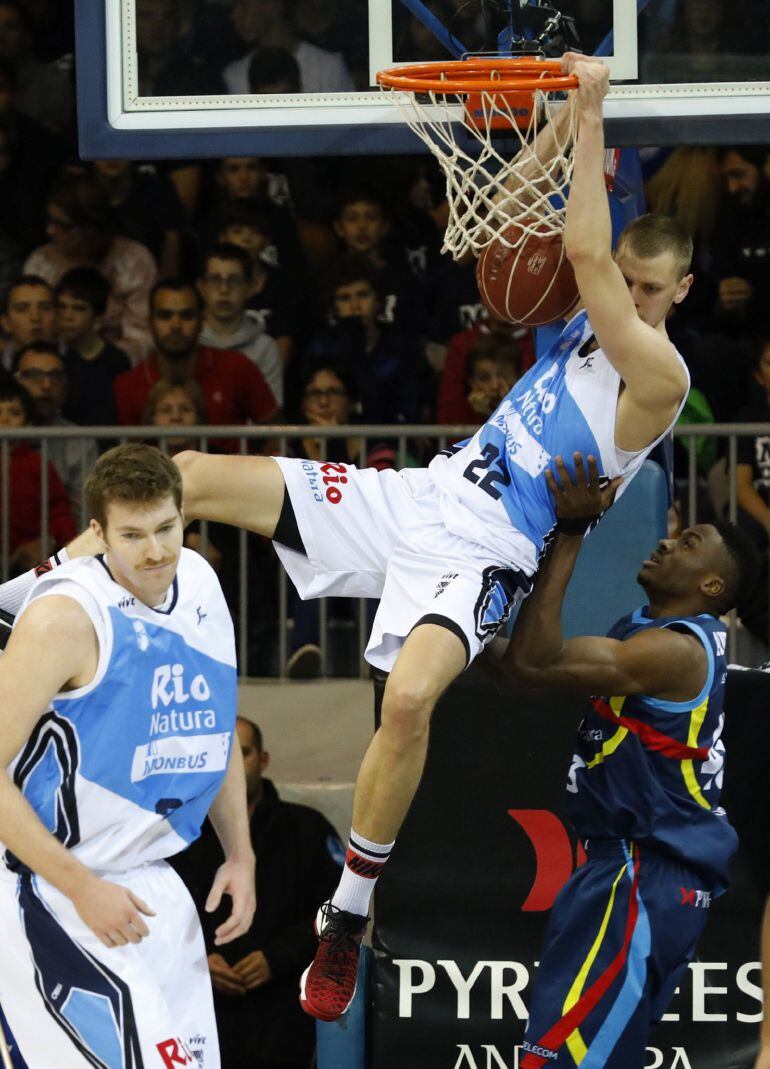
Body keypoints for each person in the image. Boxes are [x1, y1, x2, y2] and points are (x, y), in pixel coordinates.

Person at [174, 53, 693, 1023]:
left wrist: (585, 113)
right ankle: (40, 593)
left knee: (407, 699)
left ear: (681, 290)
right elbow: (500, 218)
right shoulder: (585, 313)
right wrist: (547, 131)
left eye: (650, 288)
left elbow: (581, 255)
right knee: (187, 479)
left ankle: (347, 916)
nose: (630, 297)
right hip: (414, 496)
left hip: (485, 551)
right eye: (627, 281)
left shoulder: (652, 374)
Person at [499, 453, 759, 1067]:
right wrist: (433, 636)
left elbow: (536, 662)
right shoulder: (641, 633)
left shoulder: (675, 652)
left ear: (711, 586)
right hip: (630, 875)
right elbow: (520, 673)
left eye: (689, 542)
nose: (668, 542)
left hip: (641, 876)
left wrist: (569, 531)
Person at [0, 442, 256, 1065]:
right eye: (133, 535)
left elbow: (211, 728)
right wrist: (81, 887)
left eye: (167, 528)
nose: (155, 552)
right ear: (98, 534)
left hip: (154, 889)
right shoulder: (62, 617)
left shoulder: (199, 579)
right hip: (54, 892)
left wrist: (241, 853)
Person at [173, 717, 344, 1069]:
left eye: (243, 753)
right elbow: (160, 909)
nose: (231, 765)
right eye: (221, 754)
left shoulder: (306, 829)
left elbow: (339, 910)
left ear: (263, 760)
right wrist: (198, 957)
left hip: (283, 1008)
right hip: (200, 1007)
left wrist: (276, 957)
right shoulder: (179, 833)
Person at [113, 278, 278, 440]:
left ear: (201, 321)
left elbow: (276, 434)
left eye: (186, 316)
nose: (176, 325)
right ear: (150, 322)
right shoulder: (128, 385)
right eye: (165, 315)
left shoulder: (237, 367)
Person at [24, 173, 158, 362]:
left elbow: (142, 340)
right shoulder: (41, 262)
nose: (50, 231)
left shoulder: (134, 261)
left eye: (61, 225)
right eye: (49, 221)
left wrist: (94, 362)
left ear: (90, 229)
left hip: (117, 368)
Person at [13, 341, 99, 517]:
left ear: (66, 387)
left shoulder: (81, 440)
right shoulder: (3, 436)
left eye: (56, 376)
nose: (46, 385)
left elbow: (84, 512)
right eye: (33, 375)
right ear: (14, 383)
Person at [0, 377, 75, 571]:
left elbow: (58, 507)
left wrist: (58, 540)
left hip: (30, 559)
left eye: (14, 413)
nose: (5, 419)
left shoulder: (37, 463)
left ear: (26, 423)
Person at [198, 242, 283, 408]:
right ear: (201, 287)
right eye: (215, 280)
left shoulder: (265, 348)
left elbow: (269, 416)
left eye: (234, 280)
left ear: (250, 287)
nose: (224, 289)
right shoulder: (188, 343)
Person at [223, 0, 354, 95]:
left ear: (272, 5)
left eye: (242, 4)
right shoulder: (235, 75)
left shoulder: (329, 69)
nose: (234, 15)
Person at [55, 265, 131, 427]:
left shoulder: (116, 362)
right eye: (62, 307)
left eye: (78, 308)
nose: (67, 316)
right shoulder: (53, 357)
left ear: (97, 317)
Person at [0, 272, 56, 371]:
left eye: (45, 307)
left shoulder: (75, 364)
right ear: (6, 323)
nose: (35, 318)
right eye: (22, 309)